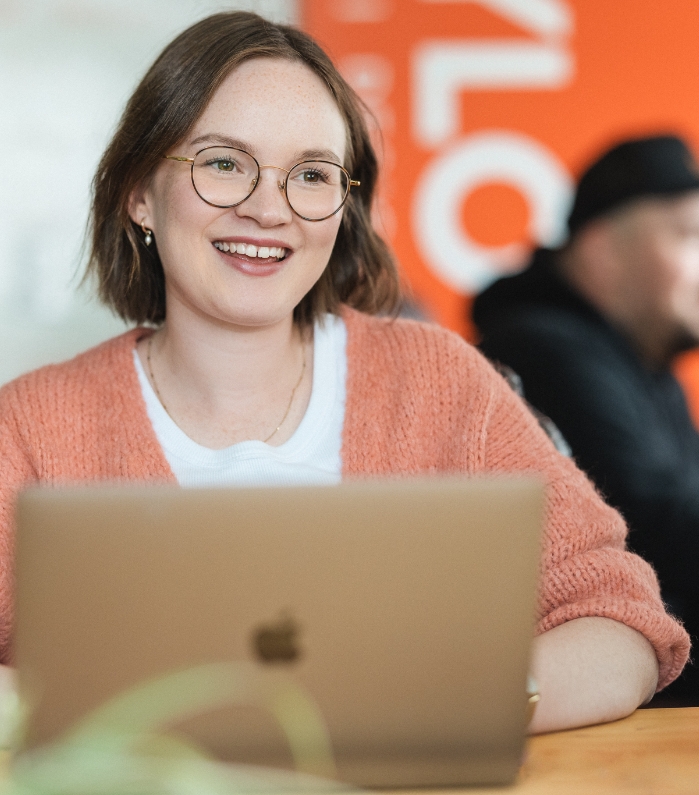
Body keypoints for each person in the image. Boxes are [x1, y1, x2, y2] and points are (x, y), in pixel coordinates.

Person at [0, 14, 689, 734]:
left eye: (310, 174)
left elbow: (624, 624)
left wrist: (445, 705)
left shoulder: (438, 381)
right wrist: (117, 721)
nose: (268, 209)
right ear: (139, 191)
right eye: (223, 162)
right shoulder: (30, 429)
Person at [473, 134, 699, 705]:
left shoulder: (646, 363)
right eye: (688, 234)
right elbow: (643, 531)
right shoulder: (542, 350)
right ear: (603, 250)